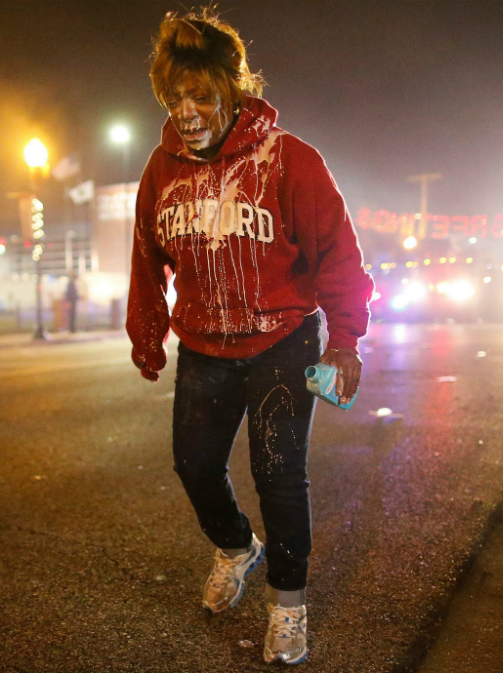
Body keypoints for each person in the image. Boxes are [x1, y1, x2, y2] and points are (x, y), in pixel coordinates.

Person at [127, 8, 374, 665]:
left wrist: (344, 340)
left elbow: (338, 258)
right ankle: (238, 547)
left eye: (201, 95)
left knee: (279, 474)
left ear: (230, 91)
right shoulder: (161, 168)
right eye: (174, 96)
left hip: (282, 342)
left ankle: (287, 605)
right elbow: (146, 257)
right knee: (195, 464)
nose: (187, 110)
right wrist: (147, 330)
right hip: (205, 345)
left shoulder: (290, 160)